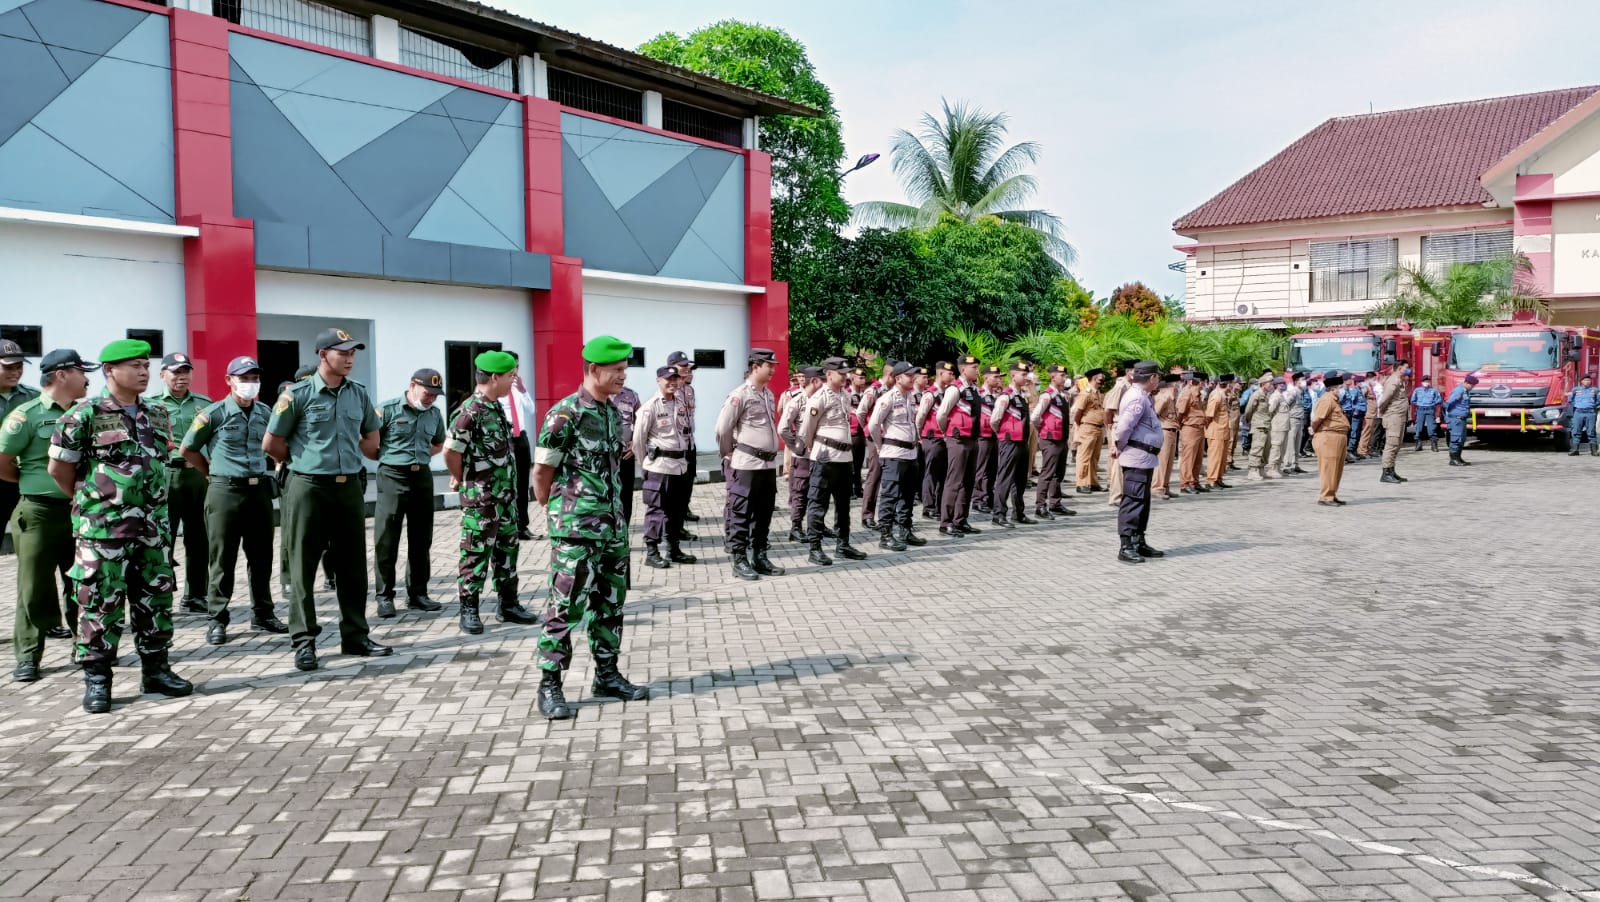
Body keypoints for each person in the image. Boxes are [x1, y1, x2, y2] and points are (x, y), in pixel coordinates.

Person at [48, 339, 192, 713]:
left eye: (146, 365)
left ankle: (156, 670)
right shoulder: (83, 415)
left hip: (152, 529)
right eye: (135, 366)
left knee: (155, 598)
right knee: (98, 602)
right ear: (110, 370)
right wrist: (92, 504)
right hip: (102, 531)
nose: (144, 372)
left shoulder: (158, 414)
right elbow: (60, 471)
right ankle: (98, 679)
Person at [532, 335, 650, 720]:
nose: (622, 377)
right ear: (593, 370)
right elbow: (542, 472)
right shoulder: (564, 415)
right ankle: (550, 684)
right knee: (565, 607)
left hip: (613, 527)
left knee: (610, 605)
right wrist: (559, 512)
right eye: (616, 371)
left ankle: (607, 675)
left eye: (624, 370)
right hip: (576, 531)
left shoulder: (612, 413)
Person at [264, 327, 390, 673]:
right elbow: (272, 443)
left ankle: (355, 636)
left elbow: (371, 438)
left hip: (348, 486)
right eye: (342, 352)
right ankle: (304, 641)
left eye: (353, 353)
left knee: (351, 565)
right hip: (308, 487)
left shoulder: (359, 395)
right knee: (303, 565)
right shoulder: (298, 395)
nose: (349, 358)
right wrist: (305, 461)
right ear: (323, 355)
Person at [179, 355, 288, 645]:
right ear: (229, 381)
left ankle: (263, 614)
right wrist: (211, 473)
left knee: (262, 556)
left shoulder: (266, 412)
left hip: (259, 491)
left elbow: (279, 443)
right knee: (222, 558)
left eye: (254, 378)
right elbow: (188, 449)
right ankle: (217, 618)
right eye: (244, 378)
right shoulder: (213, 414)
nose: (250, 384)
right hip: (224, 491)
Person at [1, 348, 93, 681]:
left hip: (79, 512)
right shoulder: (25, 417)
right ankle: (28, 655)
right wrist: (37, 483)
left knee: (82, 582)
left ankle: (86, 647)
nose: (87, 378)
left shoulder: (89, 413)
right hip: (38, 512)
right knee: (33, 586)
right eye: (81, 371)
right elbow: (3, 465)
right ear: (61, 374)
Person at [445, 351, 539, 635]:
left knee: (507, 550)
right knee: (475, 552)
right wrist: (460, 478)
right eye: (510, 376)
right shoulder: (470, 411)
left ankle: (508, 604)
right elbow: (451, 451)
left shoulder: (495, 407)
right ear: (495, 377)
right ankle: (469, 609)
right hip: (482, 499)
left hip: (505, 497)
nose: (514, 381)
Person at [373, 368, 447, 618]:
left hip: (422, 477)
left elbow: (438, 443)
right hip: (393, 475)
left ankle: (418, 593)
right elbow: (370, 442)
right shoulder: (388, 409)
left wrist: (421, 456)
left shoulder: (435, 415)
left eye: (435, 395)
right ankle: (384, 596)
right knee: (387, 538)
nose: (430, 399)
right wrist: (389, 458)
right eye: (427, 393)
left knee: (421, 538)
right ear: (412, 385)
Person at [715, 348, 784, 581]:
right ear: (756, 367)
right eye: (769, 365)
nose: (773, 369)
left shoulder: (768, 394)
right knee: (741, 512)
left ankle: (759, 555)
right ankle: (739, 558)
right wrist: (728, 454)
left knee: (764, 512)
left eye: (773, 365)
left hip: (766, 465)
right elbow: (723, 428)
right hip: (746, 463)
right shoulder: (739, 395)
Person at [153, 352, 212, 613]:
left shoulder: (204, 403)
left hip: (198, 475)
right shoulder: (151, 405)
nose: (181, 376)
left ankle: (196, 595)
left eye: (186, 371)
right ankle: (162, 593)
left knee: (199, 538)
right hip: (166, 476)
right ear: (163, 374)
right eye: (176, 372)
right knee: (162, 538)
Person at [798, 357, 867, 565]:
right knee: (818, 503)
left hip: (845, 457)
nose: (846, 377)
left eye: (847, 374)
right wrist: (815, 449)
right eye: (842, 374)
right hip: (825, 456)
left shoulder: (845, 396)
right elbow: (806, 429)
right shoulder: (820, 397)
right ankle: (815, 548)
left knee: (843, 503)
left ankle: (843, 544)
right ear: (828, 374)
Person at [634, 366, 695, 569]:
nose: (672, 382)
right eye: (668, 379)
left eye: (675, 378)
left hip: (680, 466)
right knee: (657, 511)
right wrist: (646, 464)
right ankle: (652, 552)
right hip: (659, 466)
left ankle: (674, 549)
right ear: (658, 380)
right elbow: (638, 441)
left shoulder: (680, 404)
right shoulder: (650, 407)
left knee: (677, 511)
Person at [868, 360, 928, 551]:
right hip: (893, 453)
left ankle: (905, 530)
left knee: (908, 496)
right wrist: (880, 446)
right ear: (897, 378)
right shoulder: (888, 398)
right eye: (909, 375)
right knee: (890, 496)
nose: (913, 378)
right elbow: (873, 425)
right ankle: (886, 535)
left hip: (910, 453)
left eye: (914, 375)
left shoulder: (911, 397)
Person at [1112, 362, 1165, 563]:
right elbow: (1124, 427)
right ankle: (1126, 546)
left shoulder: (1143, 396)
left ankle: (1138, 540)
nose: (1158, 380)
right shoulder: (1136, 397)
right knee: (1133, 500)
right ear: (1151, 378)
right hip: (1136, 455)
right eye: (1157, 377)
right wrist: (1120, 445)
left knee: (1142, 501)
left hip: (1145, 457)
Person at [935, 355, 984, 537]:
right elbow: (942, 414)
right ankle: (946, 522)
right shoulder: (955, 389)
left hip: (972, 439)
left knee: (968, 482)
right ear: (964, 369)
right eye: (975, 368)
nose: (977, 371)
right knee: (954, 482)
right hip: (958, 440)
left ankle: (961, 520)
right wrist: (948, 432)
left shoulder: (973, 389)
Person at [0, 338, 40, 548]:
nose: (15, 372)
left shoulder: (34, 397)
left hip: (22, 479)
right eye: (8, 367)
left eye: (19, 367)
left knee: (29, 542)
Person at [779, 366, 823, 542]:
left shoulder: (822, 399)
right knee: (800, 491)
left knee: (819, 490)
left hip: (819, 454)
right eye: (822, 381)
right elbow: (783, 428)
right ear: (814, 381)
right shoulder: (796, 401)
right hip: (803, 455)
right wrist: (796, 446)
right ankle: (796, 527)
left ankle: (817, 524)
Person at [990, 363, 1034, 528]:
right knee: (1005, 478)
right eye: (1023, 374)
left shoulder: (1021, 396)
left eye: (1026, 374)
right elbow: (994, 420)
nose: (1026, 377)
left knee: (1020, 480)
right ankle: (999, 514)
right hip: (1009, 442)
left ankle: (1019, 513)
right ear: (1013, 375)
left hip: (1022, 442)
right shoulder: (1005, 396)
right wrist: (1003, 434)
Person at [501, 365, 538, 541]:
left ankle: (522, 526)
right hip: (504, 438)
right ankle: (506, 526)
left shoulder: (518, 389)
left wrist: (523, 390)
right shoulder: (498, 390)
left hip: (520, 437)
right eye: (511, 367)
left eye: (516, 367)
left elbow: (531, 410)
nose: (515, 371)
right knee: (507, 483)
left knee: (523, 483)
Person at [1032, 365, 1076, 517]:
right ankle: (1040, 506)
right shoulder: (1047, 395)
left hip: (1062, 438)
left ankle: (1055, 503)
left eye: (1065, 376)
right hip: (1050, 439)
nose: (1065, 379)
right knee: (1048, 473)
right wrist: (1043, 431)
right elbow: (1035, 417)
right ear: (1053, 377)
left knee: (1059, 472)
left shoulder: (1063, 395)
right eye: (1062, 376)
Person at [666, 350, 700, 527]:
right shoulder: (669, 390)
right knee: (677, 483)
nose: (688, 370)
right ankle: (675, 518)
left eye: (688, 366)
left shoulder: (689, 390)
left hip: (689, 441)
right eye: (684, 366)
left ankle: (684, 509)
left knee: (689, 478)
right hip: (675, 444)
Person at [1309, 370, 1350, 506]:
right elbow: (1318, 418)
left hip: (1338, 437)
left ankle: (1332, 494)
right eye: (1340, 388)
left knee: (1336, 468)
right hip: (1328, 437)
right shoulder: (1327, 400)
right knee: (1329, 468)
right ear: (1333, 389)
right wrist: (1313, 429)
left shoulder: (1334, 400)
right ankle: (1326, 496)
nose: (1342, 390)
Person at [857, 363, 890, 529]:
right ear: (891, 374)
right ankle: (867, 515)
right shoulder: (874, 390)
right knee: (874, 475)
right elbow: (861, 412)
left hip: (891, 439)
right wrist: (868, 430)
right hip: (875, 438)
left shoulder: (895, 391)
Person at [919, 362, 952, 520]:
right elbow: (920, 417)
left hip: (944, 439)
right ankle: (929, 507)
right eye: (949, 374)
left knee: (942, 474)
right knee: (931, 473)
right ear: (940, 374)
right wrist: (920, 436)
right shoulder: (930, 394)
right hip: (931, 438)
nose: (952, 377)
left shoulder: (948, 393)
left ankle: (939, 506)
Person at [971, 366, 1002, 513]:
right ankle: (978, 499)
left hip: (994, 435)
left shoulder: (995, 396)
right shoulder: (979, 394)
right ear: (986, 377)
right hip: (982, 436)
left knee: (992, 469)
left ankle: (988, 496)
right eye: (995, 377)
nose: (999, 379)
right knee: (981, 469)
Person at [1101, 363, 1133, 506]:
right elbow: (1109, 409)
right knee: (1119, 462)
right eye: (1134, 370)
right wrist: (1109, 426)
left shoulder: (1133, 386)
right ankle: (1116, 496)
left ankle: (1124, 494)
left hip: (1128, 427)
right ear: (1128, 371)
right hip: (1118, 425)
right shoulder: (1120, 386)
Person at [1071, 368, 1108, 493]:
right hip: (1087, 427)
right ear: (1093, 378)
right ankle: (1081, 483)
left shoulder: (1098, 393)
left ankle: (1093, 482)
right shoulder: (1085, 394)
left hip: (1098, 428)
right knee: (1084, 456)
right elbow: (1078, 412)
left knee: (1094, 457)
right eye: (1100, 376)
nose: (1103, 378)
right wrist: (1080, 425)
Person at [613, 380, 641, 525]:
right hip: (604, 458)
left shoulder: (631, 396)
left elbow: (640, 422)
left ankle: (624, 532)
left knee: (625, 496)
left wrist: (635, 441)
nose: (620, 375)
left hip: (625, 455)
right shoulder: (595, 395)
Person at [1377, 363, 1411, 484]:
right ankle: (1386, 473)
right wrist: (1382, 411)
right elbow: (1385, 399)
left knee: (1396, 444)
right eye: (1406, 368)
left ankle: (1391, 470)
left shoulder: (1400, 380)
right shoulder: (1393, 381)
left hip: (1400, 417)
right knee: (1391, 444)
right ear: (1399, 368)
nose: (1408, 370)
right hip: (1393, 417)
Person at [1176, 373, 1207, 494]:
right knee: (1188, 458)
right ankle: (1185, 483)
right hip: (1190, 428)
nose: (1204, 384)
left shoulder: (1198, 395)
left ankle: (1195, 481)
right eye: (1203, 382)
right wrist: (1179, 425)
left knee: (1198, 458)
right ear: (1200, 382)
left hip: (1199, 428)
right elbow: (1180, 412)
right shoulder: (1187, 394)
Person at [1151, 373, 1181, 499]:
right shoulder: (1164, 397)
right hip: (1164, 430)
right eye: (1178, 383)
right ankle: (1157, 487)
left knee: (1169, 461)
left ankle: (1165, 486)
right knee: (1162, 461)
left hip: (1172, 430)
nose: (1179, 386)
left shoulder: (1172, 398)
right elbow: (1154, 414)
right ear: (1173, 384)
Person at [1204, 374, 1234, 489]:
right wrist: (1208, 428)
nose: (1230, 386)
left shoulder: (1223, 395)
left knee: (1222, 458)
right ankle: (1211, 480)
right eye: (1229, 383)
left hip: (1223, 431)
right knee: (1215, 457)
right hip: (1216, 431)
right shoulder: (1216, 395)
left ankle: (1218, 478)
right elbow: (1209, 415)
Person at [1243, 375, 1273, 479]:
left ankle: (1261, 469)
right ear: (1263, 384)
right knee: (1257, 448)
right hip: (1259, 425)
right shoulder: (1257, 395)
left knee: (1266, 449)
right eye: (1269, 383)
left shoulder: (1266, 395)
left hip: (1266, 425)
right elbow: (1248, 410)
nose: (1271, 385)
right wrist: (1250, 421)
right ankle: (1252, 471)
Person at [1443, 374, 1477, 466]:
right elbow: (1449, 402)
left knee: (1461, 439)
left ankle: (1458, 457)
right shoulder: (1459, 390)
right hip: (1456, 419)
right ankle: (1453, 459)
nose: (1472, 387)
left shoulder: (1465, 391)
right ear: (1466, 383)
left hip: (1462, 418)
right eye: (1472, 385)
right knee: (1456, 438)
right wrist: (1449, 415)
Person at [1277, 374, 1307, 476]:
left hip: (1300, 420)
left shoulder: (1302, 392)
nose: (1304, 382)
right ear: (1296, 381)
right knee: (1290, 443)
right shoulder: (1293, 392)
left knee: (1297, 443)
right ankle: (1287, 465)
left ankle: (1295, 464)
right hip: (1292, 420)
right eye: (1302, 380)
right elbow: (1285, 405)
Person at [847, 366, 868, 498]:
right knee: (851, 463)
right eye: (860, 378)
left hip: (862, 431)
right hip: (852, 431)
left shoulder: (864, 394)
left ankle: (858, 488)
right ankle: (849, 489)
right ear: (853, 379)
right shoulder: (847, 393)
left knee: (859, 462)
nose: (863, 380)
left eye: (863, 377)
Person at [1409, 376, 1443, 452]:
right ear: (1422, 382)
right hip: (1420, 410)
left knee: (1432, 428)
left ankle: (1434, 444)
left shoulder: (1434, 390)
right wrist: (1419, 404)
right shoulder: (1417, 390)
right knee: (1419, 427)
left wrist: (1432, 403)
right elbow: (1413, 400)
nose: (1426, 383)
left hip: (1430, 410)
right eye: (1425, 381)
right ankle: (1418, 444)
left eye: (1428, 381)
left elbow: (1439, 399)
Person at [1266, 378, 1291, 478]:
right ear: (1276, 385)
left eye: (1284, 383)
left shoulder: (1281, 396)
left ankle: (1278, 468)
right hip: (1277, 426)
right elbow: (1270, 410)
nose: (1283, 385)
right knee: (1276, 447)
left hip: (1284, 426)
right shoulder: (1275, 396)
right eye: (1280, 384)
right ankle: (1272, 469)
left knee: (1282, 448)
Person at [1568, 374, 1599, 456]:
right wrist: (1578, 405)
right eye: (1585, 380)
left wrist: (1592, 406)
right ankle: (1575, 450)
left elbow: (1598, 400)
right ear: (1581, 381)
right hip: (1578, 412)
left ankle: (1594, 451)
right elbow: (1570, 400)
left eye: (1589, 380)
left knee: (1591, 431)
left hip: (1590, 413)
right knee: (1576, 431)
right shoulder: (1576, 390)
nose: (1587, 381)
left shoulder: (1595, 390)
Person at [1341, 375, 1368, 462]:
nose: (1351, 381)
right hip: (1353, 413)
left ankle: (1354, 451)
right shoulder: (1352, 391)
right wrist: (1355, 410)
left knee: (1357, 433)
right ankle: (1350, 451)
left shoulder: (1356, 390)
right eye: (1349, 379)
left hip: (1358, 413)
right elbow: (1351, 401)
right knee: (1353, 432)